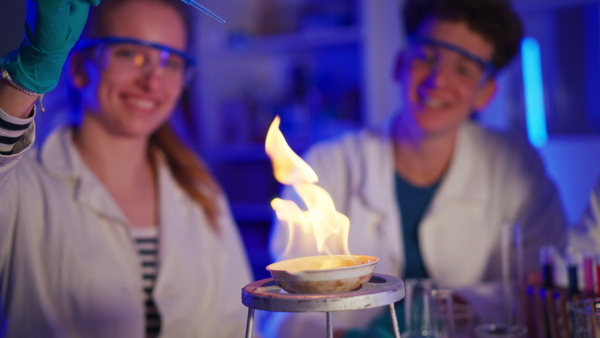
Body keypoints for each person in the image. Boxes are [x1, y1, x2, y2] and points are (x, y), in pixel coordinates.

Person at [263, 0, 568, 336]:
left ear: (486, 93)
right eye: (426, 56)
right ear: (400, 64)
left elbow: (541, 284)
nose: (438, 80)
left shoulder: (515, 166)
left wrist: (436, 311)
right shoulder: (326, 166)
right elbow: (292, 307)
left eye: (464, 69)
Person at [0, 0, 253, 337]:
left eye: (171, 62)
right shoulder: (21, 183)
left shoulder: (200, 193)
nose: (153, 82)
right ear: (78, 67)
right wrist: (25, 80)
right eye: (130, 54)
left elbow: (238, 325)